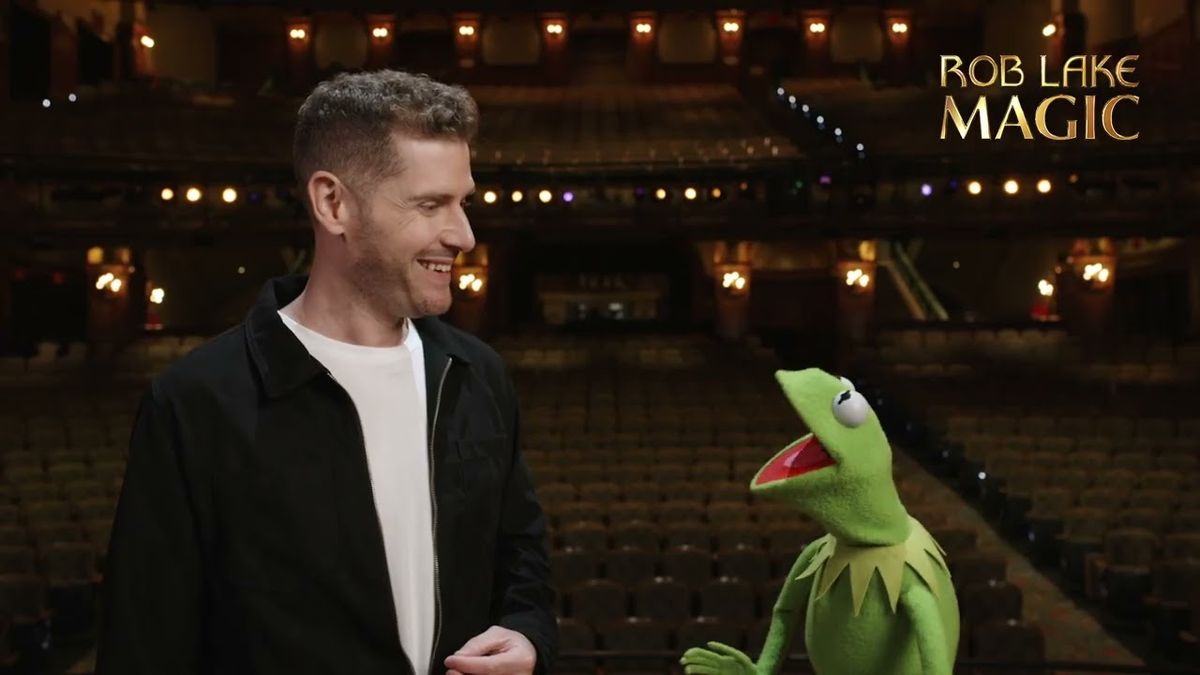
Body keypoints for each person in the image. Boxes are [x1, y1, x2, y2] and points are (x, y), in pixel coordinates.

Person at [96, 70, 558, 675]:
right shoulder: (197, 400)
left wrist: (527, 633)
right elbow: (146, 639)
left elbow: (520, 555)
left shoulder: (478, 373)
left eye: (462, 202)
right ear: (333, 203)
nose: (464, 235)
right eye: (430, 205)